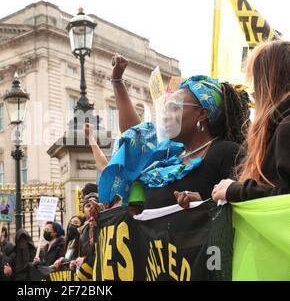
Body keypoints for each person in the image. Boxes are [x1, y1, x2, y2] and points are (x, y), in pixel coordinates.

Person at [100, 54, 251, 209]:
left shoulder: (227, 152)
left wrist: (204, 202)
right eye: (165, 109)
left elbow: (244, 204)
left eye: (174, 108)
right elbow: (134, 136)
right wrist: (117, 82)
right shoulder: (169, 155)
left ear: (202, 113)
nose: (165, 117)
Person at [212, 40, 290, 202]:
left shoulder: (286, 126)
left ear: (269, 81)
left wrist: (237, 191)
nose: (253, 91)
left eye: (256, 79)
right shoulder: (279, 125)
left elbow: (285, 197)